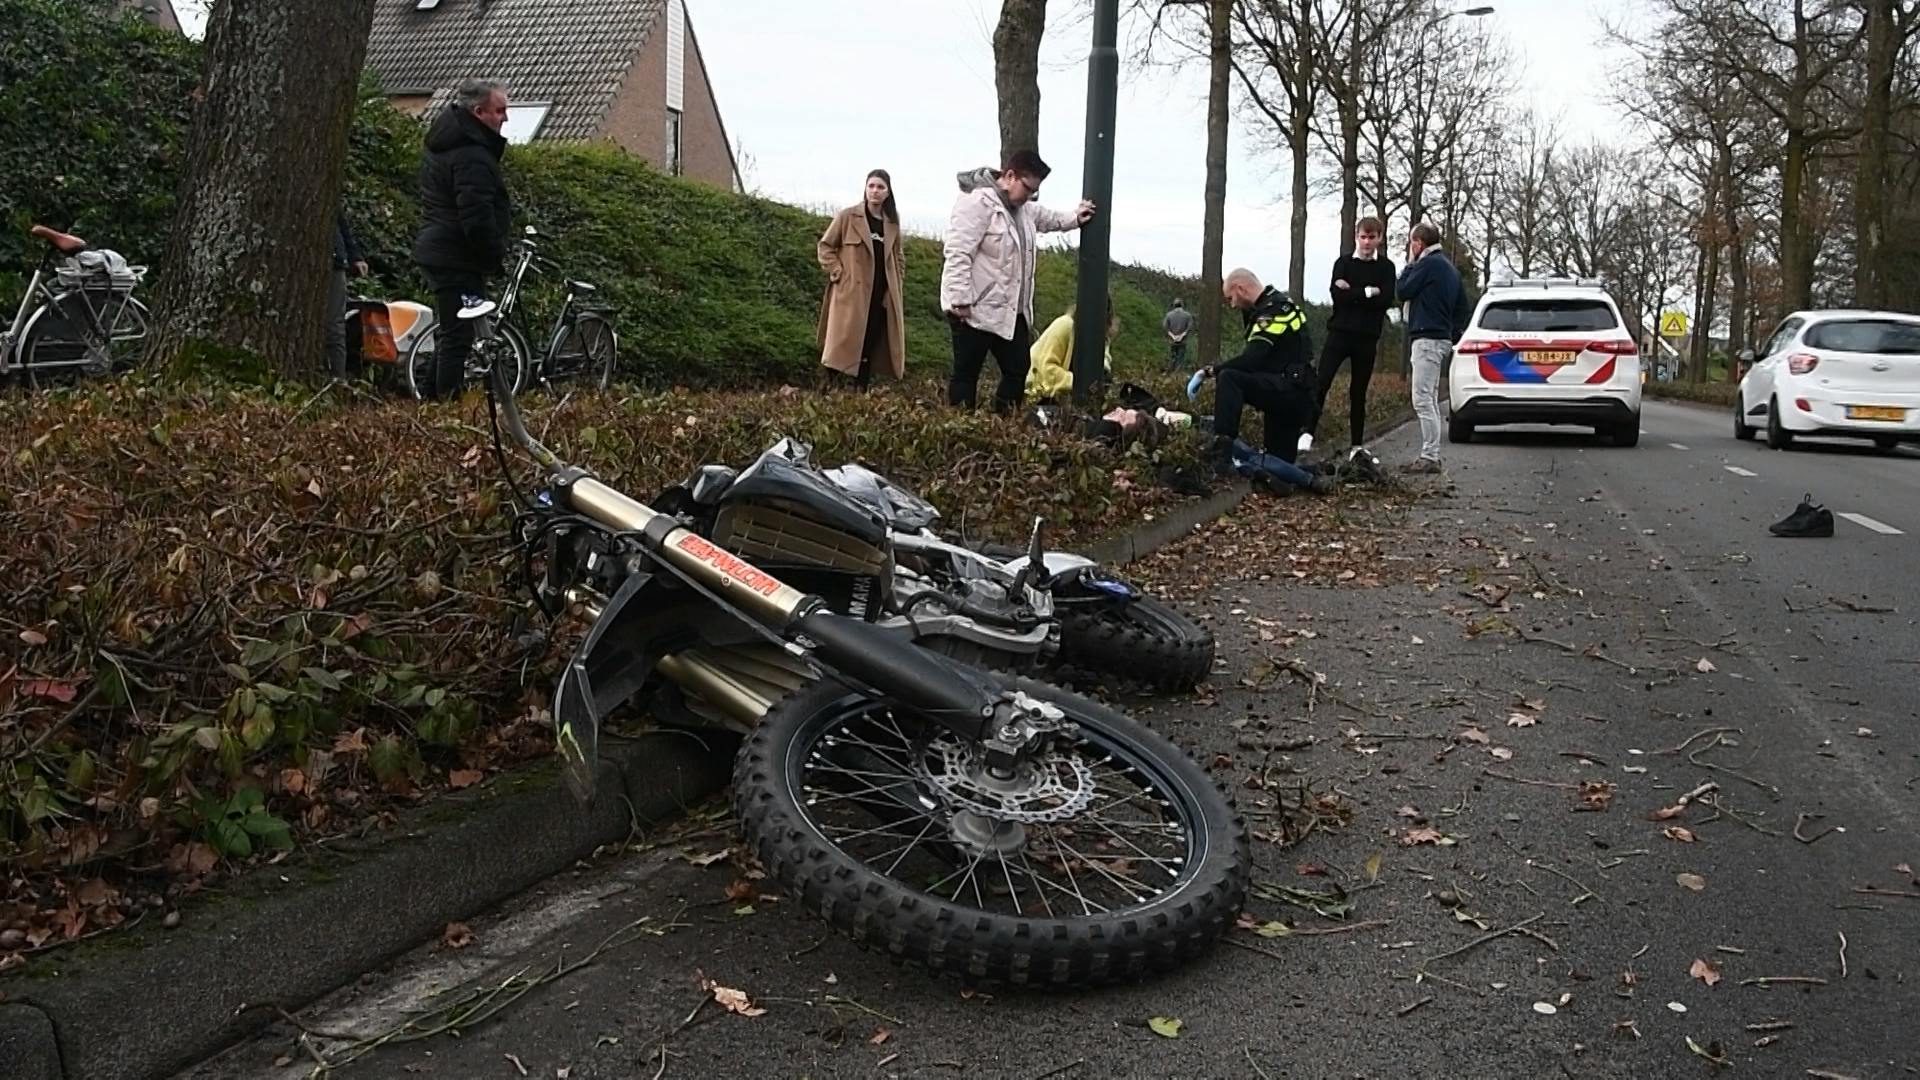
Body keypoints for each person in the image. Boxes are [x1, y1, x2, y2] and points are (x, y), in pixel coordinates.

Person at [940, 149, 1097, 411]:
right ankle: (962, 428)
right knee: (966, 375)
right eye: (1027, 188)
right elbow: (958, 253)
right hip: (972, 309)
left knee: (1017, 370)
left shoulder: (1024, 209)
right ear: (1009, 176)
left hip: (1010, 312)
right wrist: (959, 300)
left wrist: (1075, 218)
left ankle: (1002, 425)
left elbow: (1048, 218)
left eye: (1035, 191)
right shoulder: (975, 203)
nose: (1029, 197)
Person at [411, 78, 512, 400]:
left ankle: (430, 401)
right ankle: (446, 404)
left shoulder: (446, 144)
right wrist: (493, 256)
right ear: (479, 112)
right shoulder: (471, 154)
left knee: (451, 333)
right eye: (500, 110)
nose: (505, 118)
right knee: (458, 337)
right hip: (456, 255)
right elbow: (476, 215)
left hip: (442, 249)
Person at [1190, 269, 1328, 492]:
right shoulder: (1281, 304)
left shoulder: (1271, 313)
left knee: (1230, 378)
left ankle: (1222, 450)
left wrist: (1210, 372)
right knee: (1279, 463)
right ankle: (1315, 475)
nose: (1232, 305)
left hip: (1289, 393)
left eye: (1231, 298)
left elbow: (1252, 359)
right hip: (1292, 395)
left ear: (1241, 289)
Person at [816, 169, 905, 390]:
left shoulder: (892, 223)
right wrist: (838, 272)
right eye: (871, 186)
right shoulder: (848, 217)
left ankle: (860, 392)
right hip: (851, 294)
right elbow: (826, 247)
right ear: (865, 189)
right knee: (840, 343)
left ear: (888, 192)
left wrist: (894, 288)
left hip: (879, 295)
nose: (875, 191)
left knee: (869, 343)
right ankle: (829, 389)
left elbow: (898, 258)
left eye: (880, 187)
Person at [1394, 223, 1471, 473]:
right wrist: (1453, 333)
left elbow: (1402, 290)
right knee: (1432, 397)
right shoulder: (1450, 268)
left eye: (1411, 243)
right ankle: (1431, 453)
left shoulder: (1427, 265)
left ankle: (1430, 456)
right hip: (1442, 338)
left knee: (1422, 399)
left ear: (1419, 243)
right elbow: (1462, 309)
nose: (1410, 248)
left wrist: (1409, 264)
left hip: (1426, 337)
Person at [1316, 216, 1396, 447]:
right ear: (1356, 237)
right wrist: (1369, 292)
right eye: (1363, 237)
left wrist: (1353, 293)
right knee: (1322, 383)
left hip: (1367, 338)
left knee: (1358, 393)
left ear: (1380, 238)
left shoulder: (1386, 268)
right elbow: (1338, 297)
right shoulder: (1342, 264)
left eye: (1372, 237)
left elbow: (1386, 300)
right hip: (1339, 333)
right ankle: (1306, 433)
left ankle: (1356, 445)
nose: (1367, 242)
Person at [1025, 298, 1116, 402]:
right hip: (1037, 392)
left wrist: (1101, 375)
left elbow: (1105, 359)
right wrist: (1078, 382)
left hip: (1067, 397)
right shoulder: (1065, 325)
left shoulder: (1100, 336)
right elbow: (1046, 370)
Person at [327, 204, 369, 379]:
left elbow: (339, 219)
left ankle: (338, 378)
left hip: (335, 260)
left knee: (334, 325)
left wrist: (355, 256)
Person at [1163, 299, 1194, 371]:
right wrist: (1182, 335)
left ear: (1174, 305)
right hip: (1183, 340)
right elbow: (1190, 327)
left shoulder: (1168, 315)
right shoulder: (1187, 315)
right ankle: (1178, 372)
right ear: (1182, 305)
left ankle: (1172, 370)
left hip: (1172, 340)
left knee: (1173, 356)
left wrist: (1173, 336)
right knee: (1181, 357)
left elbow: (1165, 327)